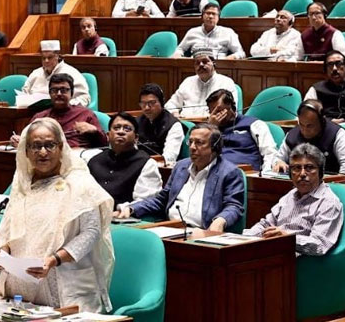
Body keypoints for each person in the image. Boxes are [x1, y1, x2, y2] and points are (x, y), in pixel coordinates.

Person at [0, 118, 115, 313]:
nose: (42, 152)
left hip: (66, 291)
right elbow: (9, 227)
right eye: (35, 146)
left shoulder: (79, 182)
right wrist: (1, 251)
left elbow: (91, 232)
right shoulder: (23, 185)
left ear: (61, 147)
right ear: (26, 151)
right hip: (21, 294)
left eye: (49, 145)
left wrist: (55, 259)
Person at [114, 123, 245, 233]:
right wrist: (132, 208)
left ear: (215, 147)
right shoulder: (181, 167)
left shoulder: (229, 172)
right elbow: (162, 200)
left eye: (199, 143)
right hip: (172, 228)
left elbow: (234, 206)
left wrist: (220, 221)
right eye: (191, 142)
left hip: (202, 231)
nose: (192, 147)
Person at [245, 144, 344, 256]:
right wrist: (244, 239)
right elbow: (266, 224)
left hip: (298, 260)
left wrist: (288, 238)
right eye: (296, 168)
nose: (302, 174)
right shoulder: (290, 195)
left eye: (309, 168)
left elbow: (319, 245)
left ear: (320, 172)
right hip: (274, 251)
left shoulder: (329, 202)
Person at [88, 112, 162, 211]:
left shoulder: (146, 163)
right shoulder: (94, 161)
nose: (121, 132)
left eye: (127, 129)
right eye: (116, 128)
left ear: (136, 138)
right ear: (108, 135)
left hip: (126, 218)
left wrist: (126, 210)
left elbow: (145, 201)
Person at [12, 74, 106, 149]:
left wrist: (94, 131)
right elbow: (27, 140)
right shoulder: (40, 117)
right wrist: (19, 141)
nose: (59, 94)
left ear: (72, 93)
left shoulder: (85, 114)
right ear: (49, 93)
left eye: (63, 90)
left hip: (77, 155)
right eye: (54, 90)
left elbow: (104, 144)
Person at [272, 99, 345, 176]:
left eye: (310, 126)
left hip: (329, 186)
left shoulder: (336, 133)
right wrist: (279, 162)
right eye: (301, 124)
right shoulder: (292, 135)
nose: (304, 130)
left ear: (322, 121)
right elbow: (278, 158)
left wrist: (338, 181)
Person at [206, 89, 278, 171]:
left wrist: (265, 176)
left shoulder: (255, 124)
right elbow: (201, 154)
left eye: (218, 111)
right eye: (211, 111)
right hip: (216, 172)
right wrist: (210, 128)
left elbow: (270, 153)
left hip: (245, 173)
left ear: (230, 107)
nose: (214, 115)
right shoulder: (211, 127)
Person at [164, 50, 238, 118]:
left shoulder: (226, 82)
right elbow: (171, 105)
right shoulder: (188, 81)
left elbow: (232, 110)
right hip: (185, 124)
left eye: (205, 61)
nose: (201, 65)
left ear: (213, 64)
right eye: (197, 63)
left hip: (213, 125)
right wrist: (175, 113)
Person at [21, 40, 91, 107]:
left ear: (57, 56)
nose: (46, 61)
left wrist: (66, 106)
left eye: (49, 57)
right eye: (43, 58)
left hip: (62, 113)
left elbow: (85, 98)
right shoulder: (35, 73)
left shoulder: (71, 72)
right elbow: (24, 93)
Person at [173, 3, 245, 59]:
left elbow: (240, 53)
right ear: (202, 16)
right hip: (195, 65)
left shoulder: (228, 32)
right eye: (208, 13)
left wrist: (227, 59)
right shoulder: (192, 32)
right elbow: (180, 49)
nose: (210, 16)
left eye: (214, 14)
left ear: (218, 18)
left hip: (219, 66)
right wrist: (178, 55)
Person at [136, 83, 185, 165]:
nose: (147, 107)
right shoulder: (137, 122)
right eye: (143, 103)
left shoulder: (174, 125)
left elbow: (169, 158)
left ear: (162, 102)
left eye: (152, 103)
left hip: (160, 168)